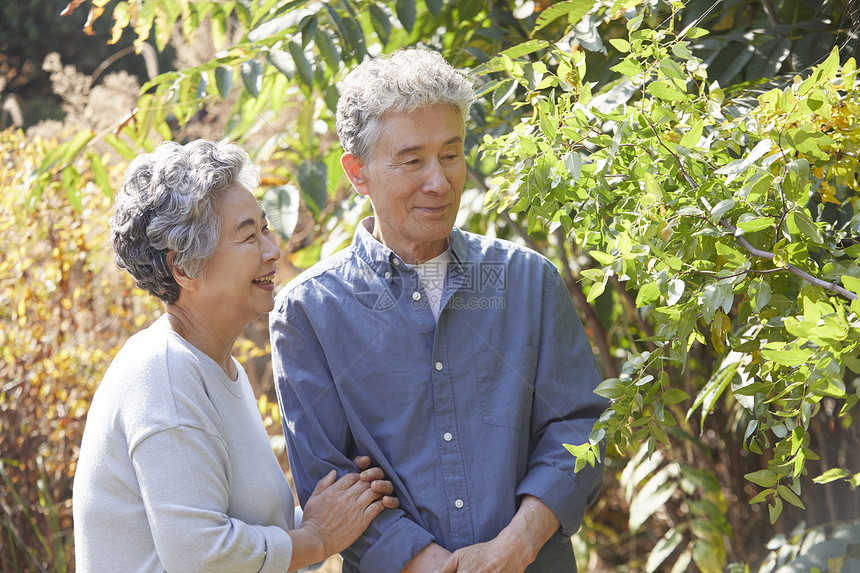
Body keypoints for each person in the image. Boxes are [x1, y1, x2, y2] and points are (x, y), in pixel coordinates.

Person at [269, 49, 608, 573]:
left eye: (451, 155)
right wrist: (426, 564)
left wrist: (516, 545)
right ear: (358, 172)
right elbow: (328, 477)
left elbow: (579, 426)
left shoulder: (528, 281)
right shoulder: (310, 312)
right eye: (412, 160)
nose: (439, 181)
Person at [73, 140, 400, 572]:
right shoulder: (164, 375)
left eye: (265, 228)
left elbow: (240, 533)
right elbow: (201, 555)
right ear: (185, 268)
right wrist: (316, 538)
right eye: (248, 236)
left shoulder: (217, 369)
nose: (272, 250)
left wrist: (336, 511)